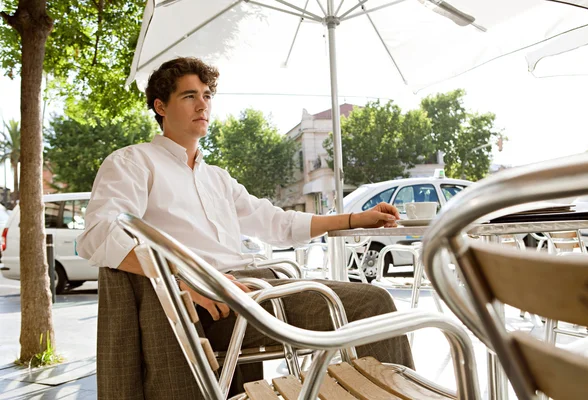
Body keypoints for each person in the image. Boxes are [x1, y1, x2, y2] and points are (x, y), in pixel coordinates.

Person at [77, 56, 414, 400]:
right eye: (189, 96)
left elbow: (278, 223)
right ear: (161, 106)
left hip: (249, 290)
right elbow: (97, 236)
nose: (203, 104)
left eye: (207, 95)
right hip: (209, 308)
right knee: (372, 303)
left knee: (371, 301)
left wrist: (356, 219)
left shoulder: (217, 178)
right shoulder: (133, 161)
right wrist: (188, 281)